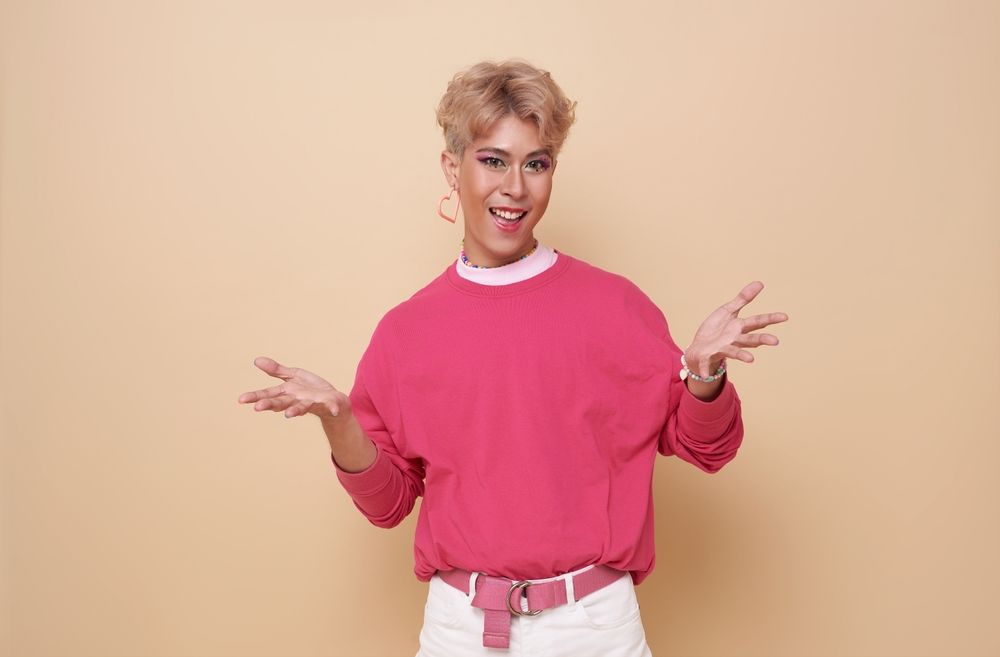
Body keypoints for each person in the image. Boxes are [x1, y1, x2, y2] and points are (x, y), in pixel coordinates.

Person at [238, 59, 788, 657]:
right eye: (493, 160)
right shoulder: (406, 333)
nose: (515, 187)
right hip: (460, 631)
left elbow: (707, 447)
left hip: (594, 628)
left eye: (537, 163)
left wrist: (705, 373)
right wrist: (339, 420)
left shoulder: (614, 306)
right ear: (452, 167)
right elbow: (389, 503)